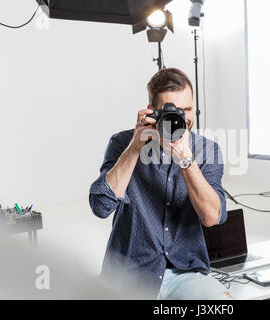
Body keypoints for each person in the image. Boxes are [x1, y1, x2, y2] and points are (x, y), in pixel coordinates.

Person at [89, 68, 231, 300]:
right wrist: (135, 147)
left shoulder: (207, 150)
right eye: (172, 111)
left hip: (186, 272)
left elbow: (211, 216)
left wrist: (185, 158)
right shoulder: (122, 142)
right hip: (129, 275)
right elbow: (100, 206)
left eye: (186, 109)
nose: (181, 117)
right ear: (152, 112)